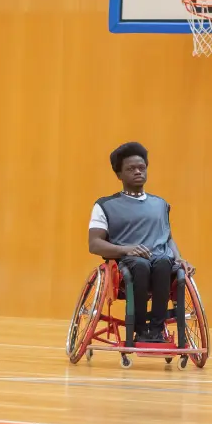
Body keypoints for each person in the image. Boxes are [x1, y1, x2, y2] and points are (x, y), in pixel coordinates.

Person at [87, 142, 193, 343]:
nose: (138, 172)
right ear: (119, 175)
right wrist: (127, 250)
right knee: (141, 264)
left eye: (141, 168)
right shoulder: (105, 205)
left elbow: (167, 237)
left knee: (163, 262)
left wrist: (180, 259)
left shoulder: (160, 204)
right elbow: (94, 244)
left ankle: (156, 330)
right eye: (131, 169)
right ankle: (140, 329)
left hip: (161, 263)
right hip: (128, 264)